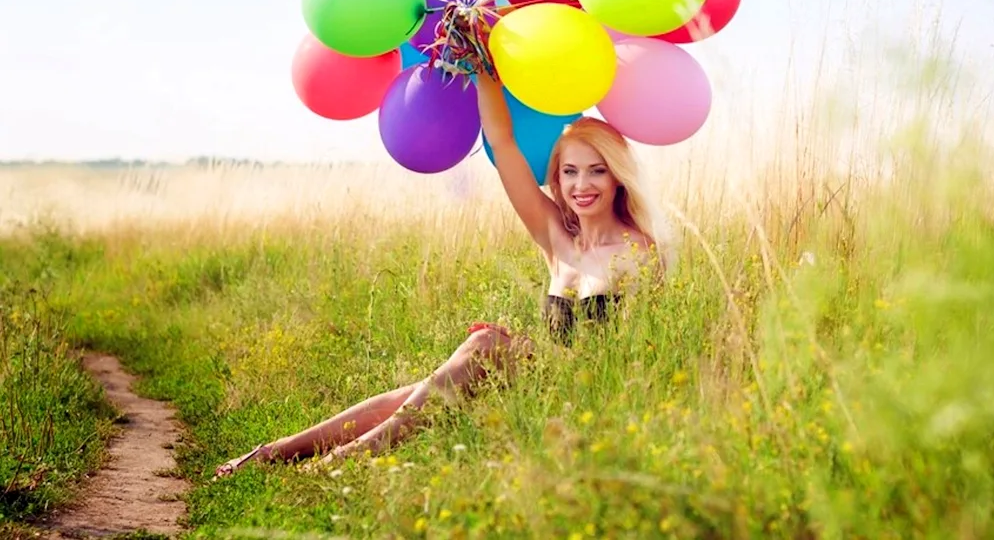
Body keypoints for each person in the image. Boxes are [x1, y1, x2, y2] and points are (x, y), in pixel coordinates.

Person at [213, 71, 671, 479]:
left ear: (617, 178)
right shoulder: (557, 238)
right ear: (557, 176)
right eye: (569, 172)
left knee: (484, 346)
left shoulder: (638, 253)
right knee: (420, 390)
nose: (581, 185)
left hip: (581, 396)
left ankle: (352, 455)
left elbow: (637, 359)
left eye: (596, 171)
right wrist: (481, 64)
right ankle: (274, 452)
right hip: (539, 378)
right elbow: (502, 141)